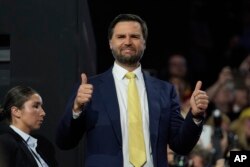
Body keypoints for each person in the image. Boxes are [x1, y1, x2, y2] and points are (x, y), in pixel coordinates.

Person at [56, 13, 209, 167]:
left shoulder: (164, 91)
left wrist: (195, 116)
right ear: (110, 43)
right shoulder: (90, 88)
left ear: (144, 43)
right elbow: (65, 142)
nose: (128, 42)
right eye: (121, 36)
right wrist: (76, 110)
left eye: (134, 36)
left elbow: (180, 144)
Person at [0, 86, 58, 167]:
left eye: (41, 106)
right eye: (35, 106)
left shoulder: (43, 145)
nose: (43, 113)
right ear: (16, 111)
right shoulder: (5, 143)